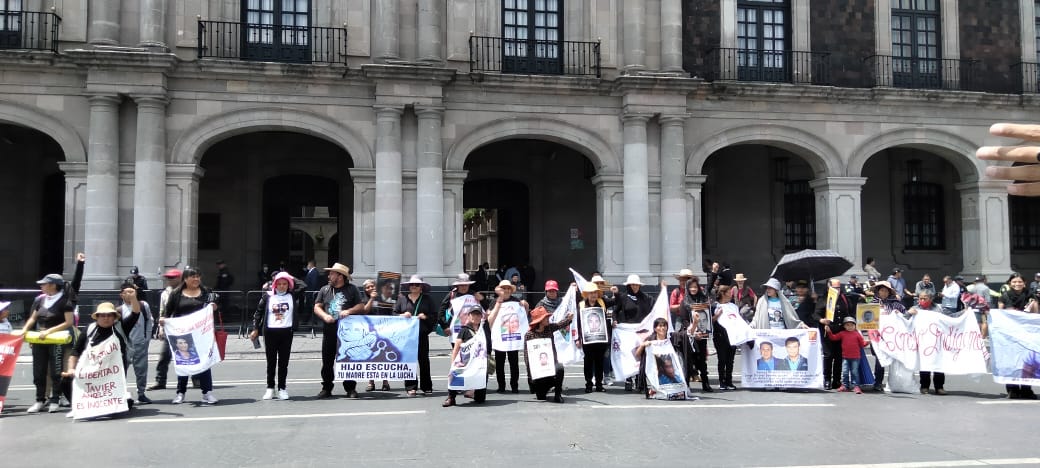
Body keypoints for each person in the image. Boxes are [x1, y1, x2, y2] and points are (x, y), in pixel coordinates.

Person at [20, 253, 84, 413]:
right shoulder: (39, 300)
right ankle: (40, 399)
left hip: (57, 339)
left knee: (56, 370)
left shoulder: (65, 301)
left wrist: (49, 331)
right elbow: (33, 317)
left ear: (53, 285)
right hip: (40, 340)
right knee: (39, 370)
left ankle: (55, 398)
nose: (41, 286)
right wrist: (25, 330)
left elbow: (68, 322)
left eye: (44, 284)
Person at [62, 301, 141, 416]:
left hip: (112, 376)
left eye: (109, 315)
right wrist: (71, 369)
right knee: (65, 380)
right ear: (97, 317)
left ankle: (124, 399)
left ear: (114, 317)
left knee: (118, 410)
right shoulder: (89, 330)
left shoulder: (121, 328)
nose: (106, 318)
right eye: (103, 315)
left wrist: (133, 297)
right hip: (90, 373)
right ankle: (78, 407)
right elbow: (75, 352)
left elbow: (135, 314)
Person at [161, 267, 220, 405]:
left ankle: (207, 393)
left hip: (202, 334)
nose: (196, 279)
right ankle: (180, 393)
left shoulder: (206, 292)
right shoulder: (176, 294)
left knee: (205, 362)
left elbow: (214, 309)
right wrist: (163, 322)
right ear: (185, 279)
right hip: (182, 334)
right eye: (193, 276)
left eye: (198, 276)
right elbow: (168, 312)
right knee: (183, 362)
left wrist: (214, 307)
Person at [313, 263, 364, 399]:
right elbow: (317, 306)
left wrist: (349, 311)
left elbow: (360, 306)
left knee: (348, 360)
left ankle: (350, 388)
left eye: (332, 274)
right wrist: (325, 316)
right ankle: (327, 388)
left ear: (340, 276)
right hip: (329, 330)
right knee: (327, 361)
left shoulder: (352, 289)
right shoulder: (325, 289)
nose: (329, 276)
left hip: (348, 332)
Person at [250, 271, 299, 401]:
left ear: (289, 285)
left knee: (283, 363)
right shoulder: (268, 296)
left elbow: (303, 285)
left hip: (286, 332)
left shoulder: (292, 295)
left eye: (285, 283)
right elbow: (258, 313)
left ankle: (282, 388)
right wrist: (255, 329)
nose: (282, 286)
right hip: (270, 332)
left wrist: (288, 276)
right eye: (279, 283)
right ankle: (270, 388)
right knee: (271, 362)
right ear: (275, 284)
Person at [394, 275, 437, 396]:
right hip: (406, 336)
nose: (413, 286)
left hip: (421, 334)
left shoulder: (427, 299)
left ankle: (426, 386)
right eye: (411, 285)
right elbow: (394, 314)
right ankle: (410, 386)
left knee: (423, 360)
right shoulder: (402, 300)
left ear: (421, 287)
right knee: (409, 361)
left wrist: (425, 317)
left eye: (416, 285)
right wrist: (402, 315)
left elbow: (434, 316)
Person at [522, 306, 572, 404]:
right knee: (541, 397)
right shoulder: (529, 335)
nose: (548, 319)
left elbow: (559, 325)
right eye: (545, 318)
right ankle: (540, 388)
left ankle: (558, 395)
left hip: (551, 366)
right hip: (538, 372)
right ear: (539, 320)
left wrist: (569, 319)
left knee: (560, 368)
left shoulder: (549, 328)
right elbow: (527, 356)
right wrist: (530, 376)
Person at [997, 273, 1036, 399]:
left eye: (1019, 282)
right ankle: (1012, 389)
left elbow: (1035, 313)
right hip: (1010, 334)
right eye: (1014, 282)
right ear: (1009, 283)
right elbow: (1001, 313)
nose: (1017, 284)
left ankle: (1026, 389)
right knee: (1011, 361)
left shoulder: (1031, 295)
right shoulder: (1005, 296)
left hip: (1026, 334)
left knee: (1026, 362)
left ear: (1024, 283)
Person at [444, 306, 492, 407]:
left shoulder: (485, 328)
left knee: (480, 399)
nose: (476, 317)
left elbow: (492, 316)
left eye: (478, 314)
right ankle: (451, 397)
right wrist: (453, 364)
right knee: (456, 376)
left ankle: (475, 393)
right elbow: (456, 348)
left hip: (480, 362)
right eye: (473, 314)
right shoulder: (464, 330)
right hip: (466, 361)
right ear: (469, 316)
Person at [118, 279, 153, 404]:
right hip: (126, 345)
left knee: (141, 370)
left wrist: (147, 337)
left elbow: (149, 321)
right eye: (127, 292)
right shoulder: (119, 310)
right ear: (121, 294)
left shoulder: (144, 305)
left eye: (133, 292)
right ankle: (121, 393)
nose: (130, 294)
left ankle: (141, 393)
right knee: (122, 369)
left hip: (140, 342)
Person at [615, 274, 652, 391]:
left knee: (640, 354)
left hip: (641, 331)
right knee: (628, 354)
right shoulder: (623, 297)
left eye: (637, 285)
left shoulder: (645, 298)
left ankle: (639, 379)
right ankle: (628, 379)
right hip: (627, 331)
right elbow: (616, 311)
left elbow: (651, 312)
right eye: (633, 285)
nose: (635, 287)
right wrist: (615, 321)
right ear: (629, 285)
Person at [869, 281, 907, 391]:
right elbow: (865, 319)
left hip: (893, 337)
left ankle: (895, 383)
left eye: (886, 291)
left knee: (895, 360)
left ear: (889, 292)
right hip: (877, 337)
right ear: (878, 291)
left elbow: (905, 315)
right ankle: (878, 382)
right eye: (882, 290)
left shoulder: (895, 304)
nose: (884, 293)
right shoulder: (871, 304)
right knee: (880, 360)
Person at [907, 291, 947, 395]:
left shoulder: (938, 309)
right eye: (920, 298)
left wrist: (964, 313)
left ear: (931, 298)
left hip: (937, 340)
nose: (922, 300)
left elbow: (948, 319)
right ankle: (924, 386)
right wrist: (908, 313)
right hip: (922, 341)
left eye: (925, 298)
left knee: (939, 364)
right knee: (924, 364)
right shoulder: (915, 308)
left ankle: (939, 387)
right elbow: (904, 319)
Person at [488, 280, 524, 394]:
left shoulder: (516, 301)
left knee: (514, 363)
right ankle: (501, 386)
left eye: (508, 288)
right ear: (500, 290)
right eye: (504, 288)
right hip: (500, 337)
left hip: (513, 337)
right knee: (500, 364)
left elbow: (522, 316)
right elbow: (490, 317)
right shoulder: (495, 301)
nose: (507, 290)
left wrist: (525, 305)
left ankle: (514, 386)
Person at [149, 268, 182, 391]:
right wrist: (160, 328)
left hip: (184, 328)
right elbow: (162, 312)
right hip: (170, 328)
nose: (169, 280)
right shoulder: (165, 294)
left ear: (179, 278)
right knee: (164, 356)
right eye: (168, 277)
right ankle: (160, 381)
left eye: (172, 277)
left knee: (189, 356)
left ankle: (197, 379)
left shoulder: (186, 291)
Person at [818, 278, 854, 390]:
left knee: (839, 357)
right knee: (828, 356)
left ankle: (837, 380)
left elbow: (850, 313)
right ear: (829, 287)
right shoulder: (823, 298)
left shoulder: (844, 298)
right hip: (827, 332)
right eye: (834, 287)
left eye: (838, 287)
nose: (836, 290)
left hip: (841, 332)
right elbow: (815, 314)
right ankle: (827, 379)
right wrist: (822, 320)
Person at [678, 278, 712, 390]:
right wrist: (693, 330)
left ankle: (705, 383)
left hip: (702, 334)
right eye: (691, 287)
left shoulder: (703, 300)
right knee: (688, 360)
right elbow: (684, 320)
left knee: (702, 359)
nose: (693, 289)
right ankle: (686, 385)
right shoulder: (684, 302)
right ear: (687, 288)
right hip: (689, 334)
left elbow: (708, 317)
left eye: (695, 287)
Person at [577, 281, 609, 392]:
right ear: (587, 294)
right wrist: (578, 338)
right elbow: (577, 323)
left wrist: (617, 293)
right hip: (587, 340)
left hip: (600, 339)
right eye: (591, 293)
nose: (593, 295)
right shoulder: (581, 305)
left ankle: (599, 384)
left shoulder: (602, 303)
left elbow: (616, 303)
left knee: (600, 361)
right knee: (588, 362)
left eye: (595, 292)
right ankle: (589, 384)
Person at [825, 316, 869, 393]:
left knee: (854, 372)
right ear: (844, 326)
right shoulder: (842, 333)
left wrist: (868, 342)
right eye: (847, 325)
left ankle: (856, 386)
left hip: (856, 357)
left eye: (852, 325)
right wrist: (829, 331)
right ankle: (845, 385)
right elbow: (833, 338)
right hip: (845, 357)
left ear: (855, 326)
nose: (850, 327)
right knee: (845, 372)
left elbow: (862, 344)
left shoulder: (857, 334)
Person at [712, 285, 739, 390]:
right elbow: (711, 321)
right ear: (723, 293)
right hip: (720, 336)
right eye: (729, 292)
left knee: (730, 360)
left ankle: (729, 381)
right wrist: (717, 315)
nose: (731, 293)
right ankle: (721, 381)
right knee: (722, 359)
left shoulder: (733, 306)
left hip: (732, 336)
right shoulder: (715, 306)